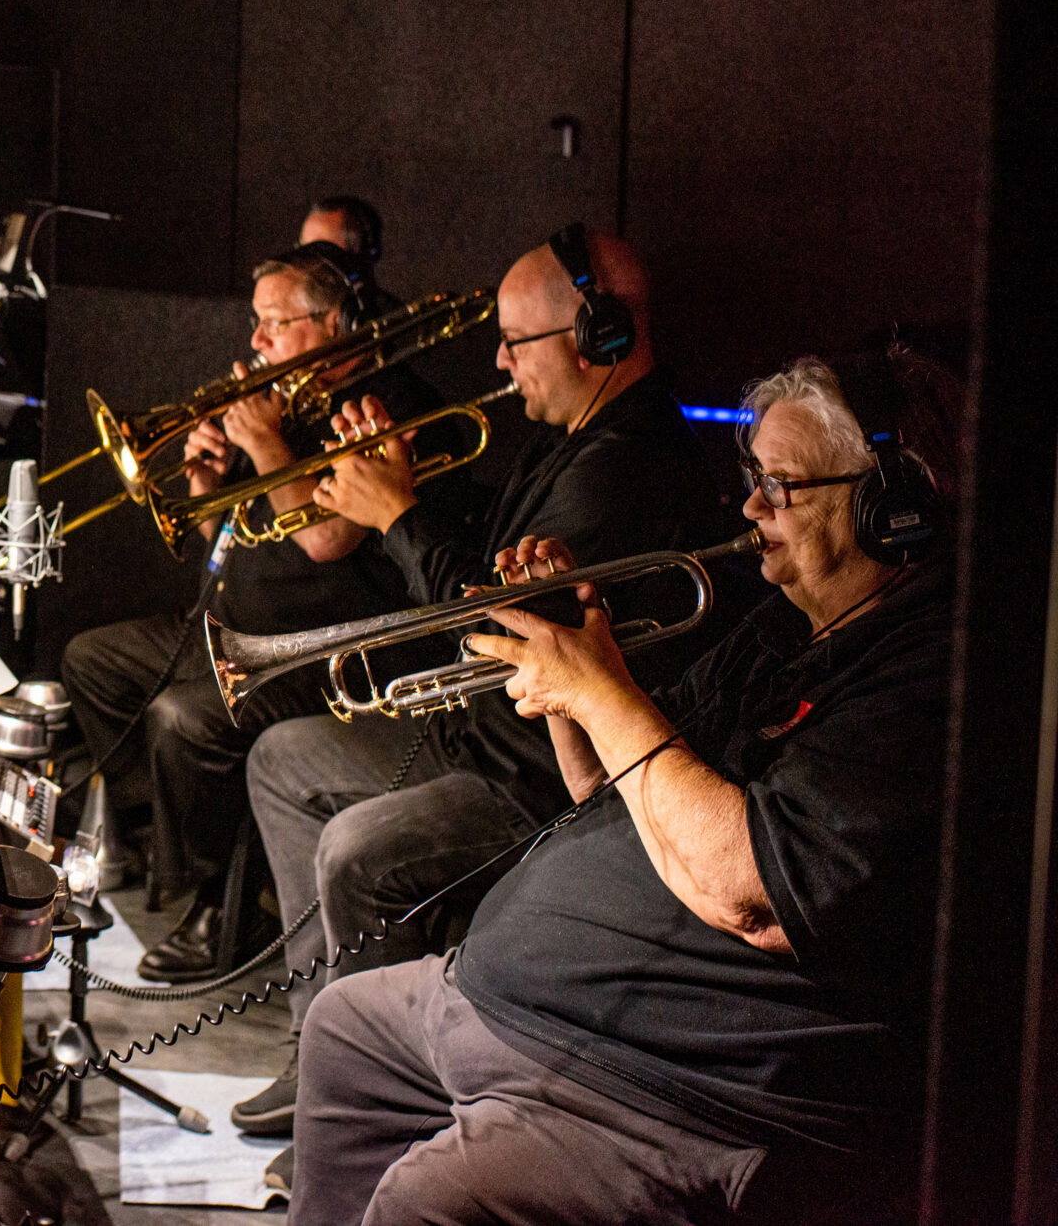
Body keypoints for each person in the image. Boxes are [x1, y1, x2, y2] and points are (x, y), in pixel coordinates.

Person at [290, 350, 958, 1226]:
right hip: (530, 1001)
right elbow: (604, 791)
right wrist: (572, 681)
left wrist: (602, 692)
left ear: (888, 507)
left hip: (663, 1082)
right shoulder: (781, 629)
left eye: (783, 486)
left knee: (423, 1203)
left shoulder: (925, 680)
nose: (752, 507)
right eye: (752, 476)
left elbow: (750, 892)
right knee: (343, 1027)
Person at [235, 224, 736, 1155]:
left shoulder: (625, 464)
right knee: (282, 756)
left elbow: (489, 629)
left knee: (356, 848)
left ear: (600, 336)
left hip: (541, 782)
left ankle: (384, 1109)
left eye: (517, 341)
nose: (499, 361)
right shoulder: (564, 438)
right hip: (480, 737)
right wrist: (397, 488)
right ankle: (323, 1047)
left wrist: (398, 512)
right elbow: (484, 574)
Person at [60, 244, 463, 981]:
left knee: (185, 722)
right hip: (229, 625)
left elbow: (324, 538)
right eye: (257, 321)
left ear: (335, 322)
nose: (256, 341)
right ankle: (185, 848)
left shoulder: (383, 400)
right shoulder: (289, 401)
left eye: (276, 322)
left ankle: (227, 901)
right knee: (93, 662)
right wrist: (214, 480)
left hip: (316, 650)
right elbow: (243, 531)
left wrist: (265, 443)